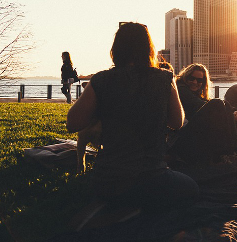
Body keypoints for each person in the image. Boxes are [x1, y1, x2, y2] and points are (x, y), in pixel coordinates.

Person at [66, 22, 198, 212]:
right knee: (191, 188)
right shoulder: (165, 78)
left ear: (116, 49)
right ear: (149, 49)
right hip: (152, 179)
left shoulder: (100, 80)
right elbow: (177, 123)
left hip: (107, 182)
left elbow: (73, 123)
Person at [168, 63, 237, 165]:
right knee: (217, 103)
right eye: (191, 78)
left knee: (225, 105)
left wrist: (234, 111)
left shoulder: (194, 93)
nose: (195, 82)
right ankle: (229, 153)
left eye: (199, 80)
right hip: (180, 138)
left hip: (190, 134)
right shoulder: (181, 89)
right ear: (185, 77)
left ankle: (232, 153)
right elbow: (200, 105)